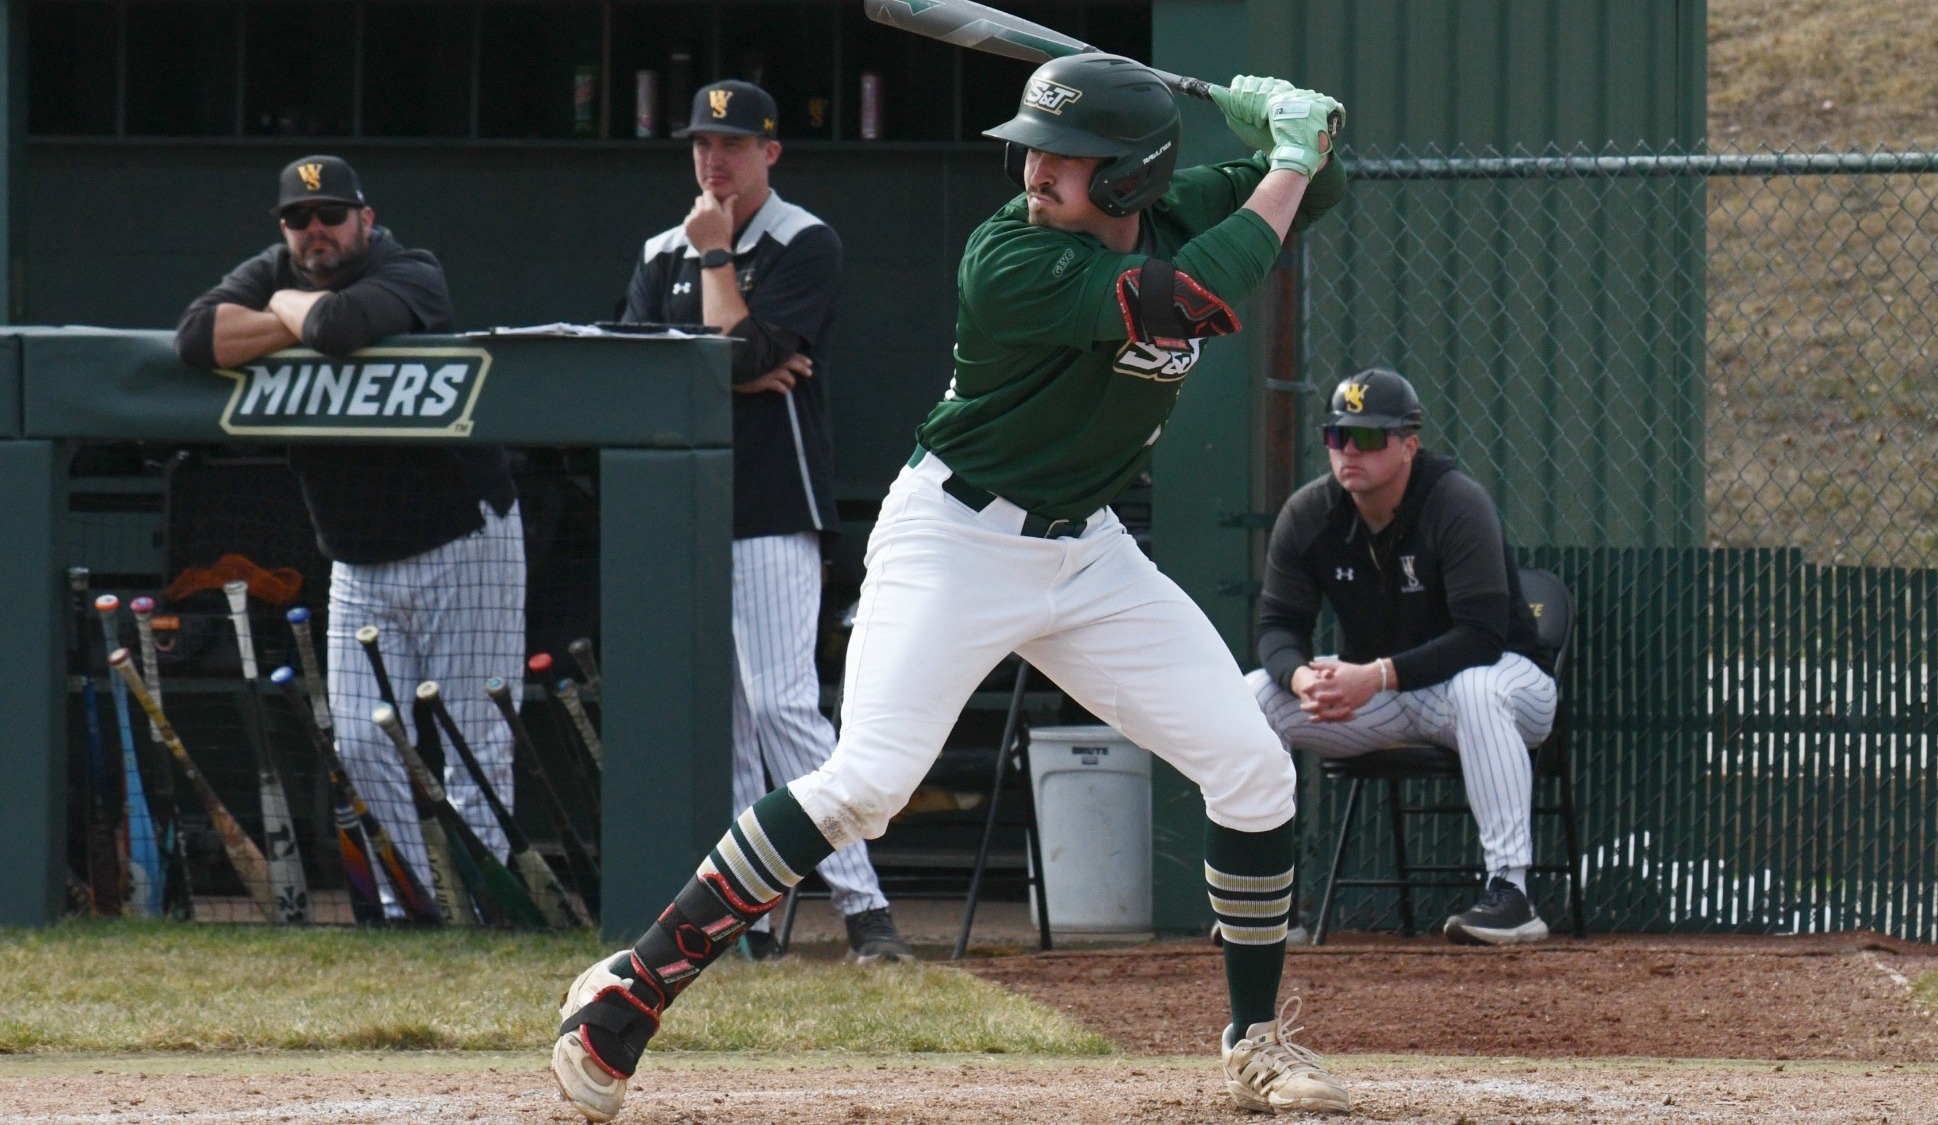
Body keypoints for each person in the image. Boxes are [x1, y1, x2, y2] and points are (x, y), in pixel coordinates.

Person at [553, 56, 1351, 1121]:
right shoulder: (1009, 257)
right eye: (1036, 151)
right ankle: (633, 984)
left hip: (1089, 551)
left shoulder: (1184, 210)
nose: (1037, 172)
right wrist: (1287, 154)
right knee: (866, 783)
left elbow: (1317, 188)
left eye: (1070, 160)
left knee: (1253, 772)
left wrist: (1299, 129)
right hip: (956, 539)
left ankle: (1252, 1040)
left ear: (1132, 177)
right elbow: (1190, 298)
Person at [174, 155, 526, 919]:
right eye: (299, 219)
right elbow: (196, 337)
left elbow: (339, 328)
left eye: (331, 214)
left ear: (365, 218)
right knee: (363, 747)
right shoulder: (278, 268)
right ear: (283, 229)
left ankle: (486, 907)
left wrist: (282, 315)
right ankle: (413, 909)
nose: (315, 230)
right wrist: (293, 310)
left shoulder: (412, 268)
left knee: (473, 742)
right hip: (357, 554)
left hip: (462, 536)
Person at [620, 79, 913, 965]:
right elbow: (640, 372)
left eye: (735, 145)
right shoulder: (658, 249)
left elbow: (743, 350)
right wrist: (731, 362)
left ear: (770, 154)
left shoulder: (801, 239)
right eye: (704, 144)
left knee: (784, 703)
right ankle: (751, 923)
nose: (716, 160)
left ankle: (867, 912)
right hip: (686, 509)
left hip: (774, 505)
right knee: (726, 723)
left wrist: (719, 284)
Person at [1246, 367, 1558, 946]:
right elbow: (1278, 625)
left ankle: (1511, 894)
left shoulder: (1455, 502)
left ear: (1409, 445)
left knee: (1477, 690)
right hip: (1386, 694)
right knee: (1253, 697)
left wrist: (1378, 675)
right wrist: (1297, 677)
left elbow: (1482, 636)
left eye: (1368, 437)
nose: (1349, 451)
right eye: (1338, 436)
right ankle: (1265, 900)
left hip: (1506, 687)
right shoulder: (1310, 514)